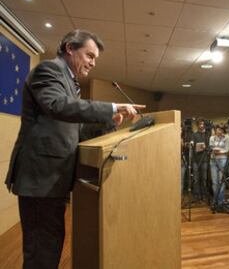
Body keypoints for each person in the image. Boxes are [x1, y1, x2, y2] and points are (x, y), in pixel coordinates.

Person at [4, 29, 144, 269]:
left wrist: (110, 121)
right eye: (89, 56)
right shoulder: (48, 70)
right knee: (41, 251)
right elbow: (58, 106)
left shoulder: (70, 83)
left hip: (52, 179)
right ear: (70, 48)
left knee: (50, 244)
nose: (92, 63)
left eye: (95, 59)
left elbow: (75, 131)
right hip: (41, 179)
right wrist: (110, 108)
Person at [209, 123, 229, 208]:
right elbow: (211, 148)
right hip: (213, 160)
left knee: (221, 181)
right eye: (218, 129)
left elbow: (228, 150)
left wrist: (220, 152)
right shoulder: (212, 138)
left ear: (223, 130)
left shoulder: (227, 138)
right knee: (214, 182)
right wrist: (215, 151)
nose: (219, 131)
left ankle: (220, 201)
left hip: (222, 160)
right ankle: (216, 199)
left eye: (221, 129)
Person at [191, 118, 210, 203]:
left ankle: (204, 195)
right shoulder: (194, 135)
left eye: (203, 124)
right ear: (197, 125)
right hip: (195, 159)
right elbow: (192, 145)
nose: (201, 126)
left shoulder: (207, 134)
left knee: (204, 178)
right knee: (196, 179)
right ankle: (196, 196)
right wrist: (194, 146)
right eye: (200, 124)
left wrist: (206, 147)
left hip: (204, 159)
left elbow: (210, 147)